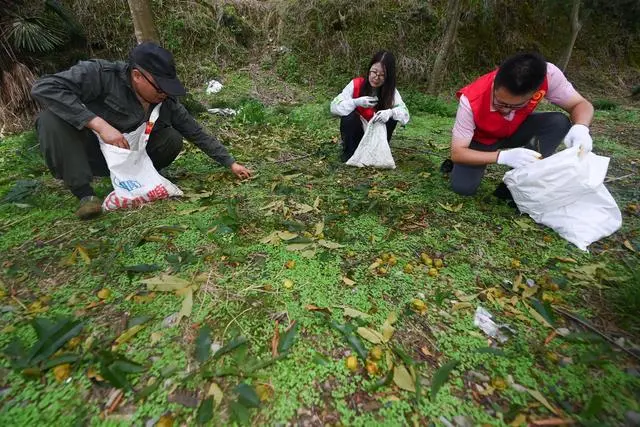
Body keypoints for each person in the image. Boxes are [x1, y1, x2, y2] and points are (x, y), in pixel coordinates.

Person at [31, 42, 252, 220]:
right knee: (50, 119)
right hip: (91, 153)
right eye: (159, 87)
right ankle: (85, 194)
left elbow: (195, 131)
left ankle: (144, 178)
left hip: (132, 156)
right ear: (137, 76)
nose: (163, 94)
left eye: (167, 88)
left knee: (172, 138)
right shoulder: (100, 74)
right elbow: (44, 88)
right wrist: (98, 123)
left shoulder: (164, 101)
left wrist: (230, 162)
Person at [445, 52, 594, 198]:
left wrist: (581, 127)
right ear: (495, 83)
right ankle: (460, 168)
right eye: (500, 102)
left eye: (516, 105)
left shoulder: (548, 76)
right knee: (463, 188)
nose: (505, 110)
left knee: (558, 122)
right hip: (482, 139)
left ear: (533, 93)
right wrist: (501, 157)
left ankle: (517, 182)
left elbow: (580, 104)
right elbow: (458, 153)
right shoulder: (471, 99)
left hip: (517, 129)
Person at [330, 50, 410, 162]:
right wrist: (355, 102)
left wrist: (390, 112)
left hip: (377, 137)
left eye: (382, 75)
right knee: (349, 116)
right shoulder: (356, 84)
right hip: (357, 134)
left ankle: (378, 153)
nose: (376, 78)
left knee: (393, 116)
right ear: (369, 69)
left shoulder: (391, 92)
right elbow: (334, 106)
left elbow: (405, 113)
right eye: (374, 72)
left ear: (388, 77)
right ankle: (349, 152)